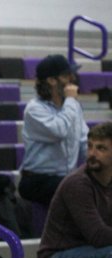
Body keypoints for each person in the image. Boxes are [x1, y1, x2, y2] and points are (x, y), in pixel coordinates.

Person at [38, 122, 112, 258]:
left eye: (101, 148)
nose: (92, 154)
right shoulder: (78, 183)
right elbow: (97, 235)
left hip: (91, 253)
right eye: (90, 146)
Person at [19, 54, 89, 207]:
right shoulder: (34, 109)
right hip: (37, 180)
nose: (72, 79)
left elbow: (84, 141)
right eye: (66, 76)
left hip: (65, 178)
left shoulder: (73, 107)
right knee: (79, 190)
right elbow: (59, 131)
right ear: (51, 80)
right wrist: (71, 100)